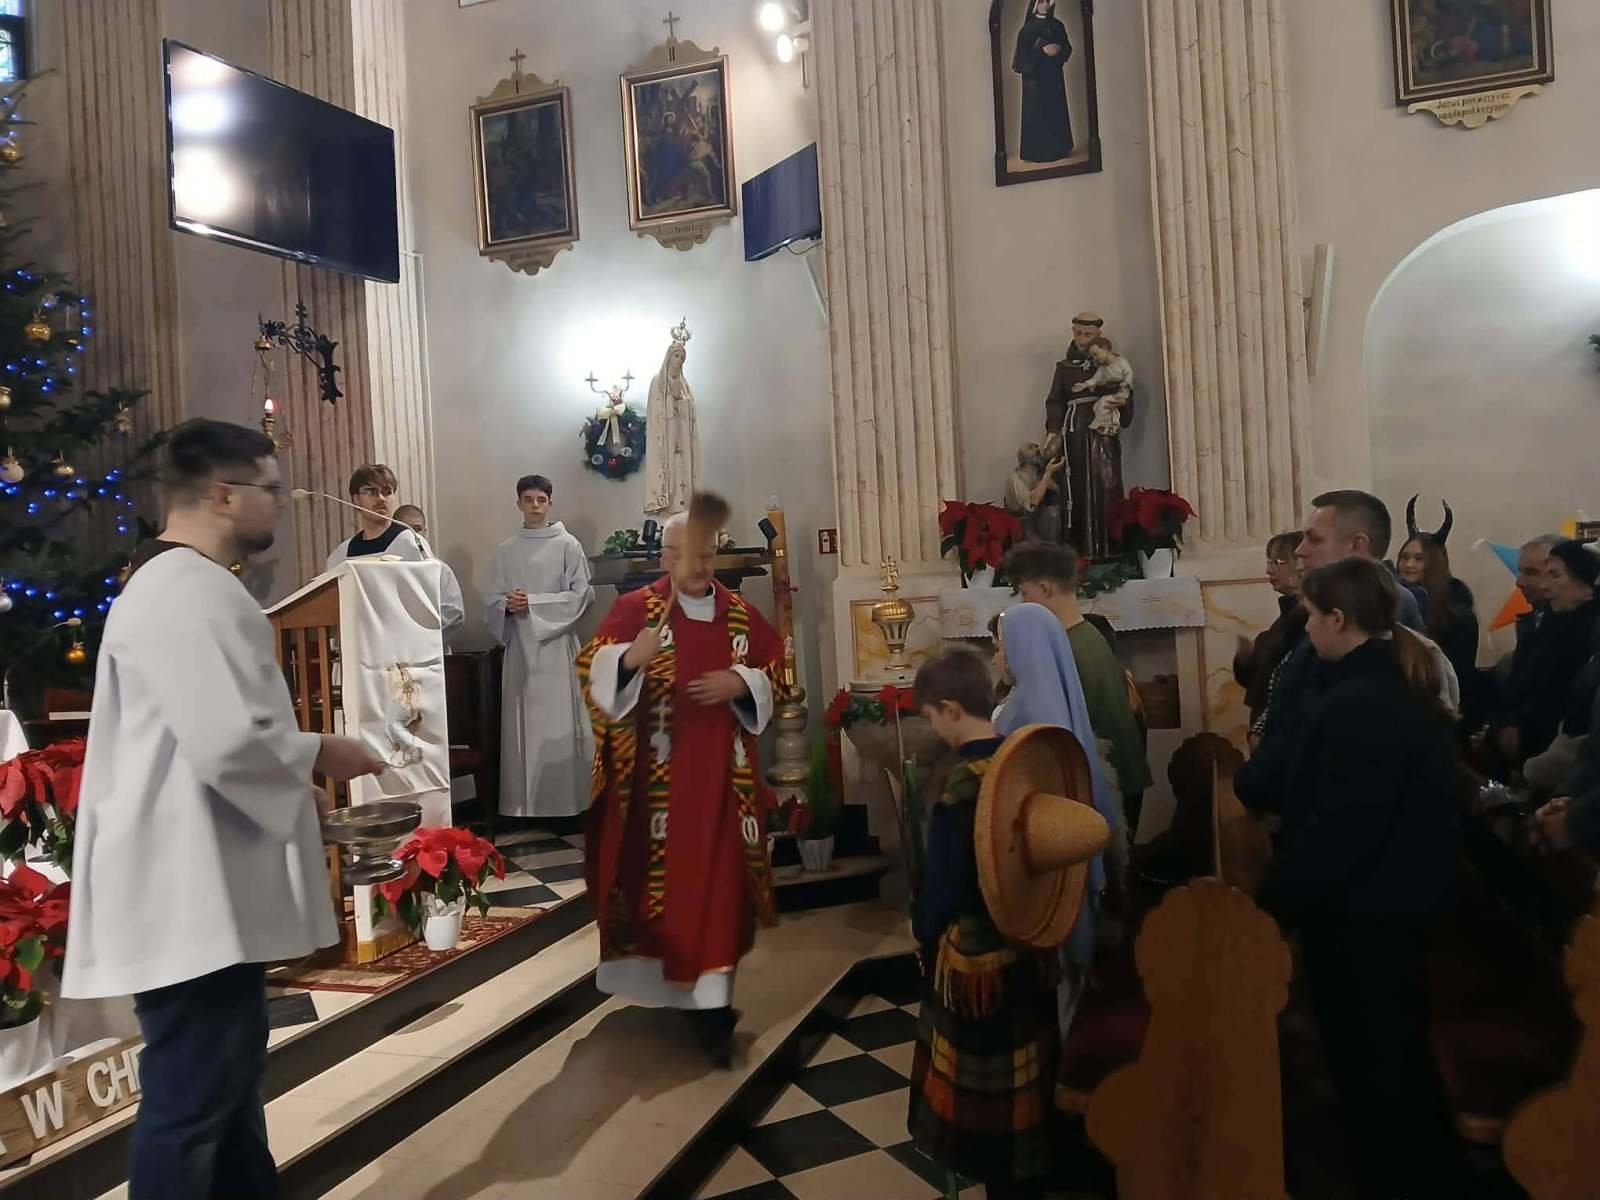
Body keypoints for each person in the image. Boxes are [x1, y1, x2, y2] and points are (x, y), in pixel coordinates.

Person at [62, 419, 385, 1200]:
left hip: (198, 885)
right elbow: (226, 740)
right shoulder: (185, 590)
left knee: (227, 1088)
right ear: (222, 494)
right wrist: (321, 751)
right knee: (193, 1101)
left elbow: (204, 735)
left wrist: (296, 779)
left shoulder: (182, 584)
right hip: (184, 892)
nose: (281, 503)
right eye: (270, 489)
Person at [1250, 558, 1465, 1198]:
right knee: (1386, 1062)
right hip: (1382, 910)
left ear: (1339, 619)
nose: (1309, 628)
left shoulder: (1360, 705)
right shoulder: (1381, 684)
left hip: (1370, 920)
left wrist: (1270, 904)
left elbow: (1341, 833)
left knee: (1380, 1069)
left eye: (1313, 617)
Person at [574, 505, 784, 1066]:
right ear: (666, 557)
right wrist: (627, 661)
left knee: (719, 892)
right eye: (690, 555)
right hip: (656, 788)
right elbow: (591, 675)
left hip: (723, 784)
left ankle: (713, 1007)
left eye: (709, 555)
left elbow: (778, 671)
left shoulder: (739, 615)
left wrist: (742, 683)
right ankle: (677, 991)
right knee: (659, 893)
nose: (701, 566)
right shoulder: (635, 610)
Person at [908, 648, 1058, 1200]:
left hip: (979, 969)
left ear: (950, 709)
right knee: (1028, 1091)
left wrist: (922, 929)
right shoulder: (1019, 762)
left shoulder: (962, 785)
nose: (933, 727)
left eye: (931, 716)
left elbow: (944, 887)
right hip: (1030, 945)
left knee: (988, 1112)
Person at [992, 603, 1121, 1039]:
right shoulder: (1057, 697)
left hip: (1037, 846)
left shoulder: (1024, 709)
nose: (997, 657)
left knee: (1051, 952)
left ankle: (1059, 1050)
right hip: (1057, 843)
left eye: (1001, 647)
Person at [1001, 542, 1152, 837]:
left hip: (1105, 793)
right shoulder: (1087, 634)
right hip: (1119, 780)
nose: (1023, 602)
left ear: (1044, 588)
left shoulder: (1068, 648)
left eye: (1024, 593)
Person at [486, 474, 595, 822]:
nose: (535, 506)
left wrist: (532, 602)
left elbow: (583, 595)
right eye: (528, 499)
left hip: (557, 647)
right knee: (525, 727)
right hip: (521, 647)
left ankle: (568, 803)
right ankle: (524, 805)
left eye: (541, 500)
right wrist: (506, 605)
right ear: (518, 503)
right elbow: (492, 598)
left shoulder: (568, 545)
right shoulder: (506, 550)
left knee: (561, 723)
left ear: (550, 503)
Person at [1483, 539, 1600, 773]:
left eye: (1555, 575)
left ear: (1586, 583)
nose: (1546, 586)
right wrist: (1500, 727)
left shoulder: (1587, 637)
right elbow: (1517, 691)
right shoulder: (1546, 625)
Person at [325, 464, 465, 639]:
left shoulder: (411, 544)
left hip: (406, 646)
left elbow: (438, 606)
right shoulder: (341, 555)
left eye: (387, 491)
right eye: (371, 491)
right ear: (355, 499)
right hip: (361, 645)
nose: (381, 498)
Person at [1042, 313, 1132, 560]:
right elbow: (1055, 401)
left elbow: (1125, 388)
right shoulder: (1064, 368)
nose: (1082, 338)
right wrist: (1053, 430)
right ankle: (1079, 550)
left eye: (1088, 334)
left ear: (1098, 335)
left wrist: (1122, 403)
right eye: (1078, 333)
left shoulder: (1111, 362)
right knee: (1076, 486)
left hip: (1103, 431)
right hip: (1075, 431)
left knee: (1106, 482)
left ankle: (1109, 549)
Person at [1396, 531, 1482, 722]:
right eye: (1404, 557)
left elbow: (1460, 675)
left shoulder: (1458, 615)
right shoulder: (1394, 602)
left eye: (1418, 559)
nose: (1409, 564)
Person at [1233, 531, 1305, 729]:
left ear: (1302, 563)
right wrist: (1246, 660)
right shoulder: (1287, 615)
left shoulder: (1307, 617)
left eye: (1279, 561)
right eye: (1269, 562)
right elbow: (1261, 679)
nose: (1269, 570)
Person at [1012, 0, 1074, 164]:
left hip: (1054, 79)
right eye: (1041, 2)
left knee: (1056, 112)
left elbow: (1067, 48)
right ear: (1035, 5)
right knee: (1038, 115)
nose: (1045, 5)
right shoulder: (1026, 30)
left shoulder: (1058, 25)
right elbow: (1022, 59)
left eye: (1047, 1)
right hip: (1035, 82)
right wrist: (1041, 50)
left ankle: (1059, 149)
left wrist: (1059, 49)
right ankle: (1037, 153)